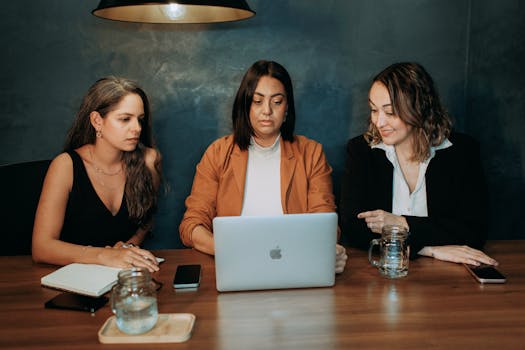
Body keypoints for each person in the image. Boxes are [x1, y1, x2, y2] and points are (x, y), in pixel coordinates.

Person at [179, 60, 347, 273]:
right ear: (245, 105)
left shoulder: (311, 153)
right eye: (257, 101)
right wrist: (229, 250)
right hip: (234, 266)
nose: (267, 111)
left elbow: (325, 222)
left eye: (277, 102)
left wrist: (327, 250)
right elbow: (192, 225)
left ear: (287, 109)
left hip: (295, 266)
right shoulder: (218, 153)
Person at [339, 62, 497, 266]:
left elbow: (473, 230)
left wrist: (400, 223)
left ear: (418, 107)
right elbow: (354, 228)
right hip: (386, 271)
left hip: (447, 280)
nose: (379, 122)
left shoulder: (462, 152)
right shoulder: (361, 151)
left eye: (390, 112)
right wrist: (428, 249)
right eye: (374, 110)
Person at [32, 76, 162, 272]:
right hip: (73, 279)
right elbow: (41, 247)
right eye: (125, 119)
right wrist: (104, 255)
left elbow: (146, 220)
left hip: (125, 276)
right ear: (97, 121)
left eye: (140, 119)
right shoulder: (65, 166)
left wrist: (130, 247)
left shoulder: (148, 160)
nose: (137, 128)